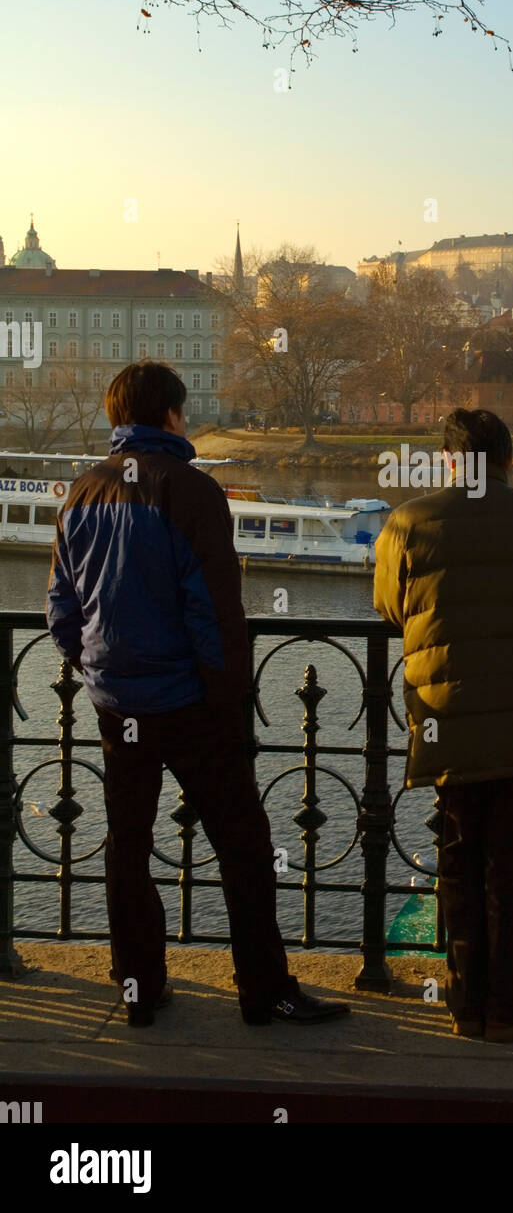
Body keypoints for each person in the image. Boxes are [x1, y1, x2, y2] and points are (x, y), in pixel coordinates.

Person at [45, 361, 350, 1030]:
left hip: (116, 705)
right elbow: (214, 612)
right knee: (243, 845)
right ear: (173, 416)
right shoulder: (191, 492)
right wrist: (226, 697)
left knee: (127, 846)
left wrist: (96, 669)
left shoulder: (81, 493)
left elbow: (61, 611)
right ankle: (263, 990)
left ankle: (139, 990)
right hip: (190, 704)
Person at [373, 409, 513, 1043]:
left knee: (459, 862)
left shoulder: (410, 521)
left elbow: (389, 605)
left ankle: (465, 1003)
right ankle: (508, 1007)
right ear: (508, 460)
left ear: (447, 461)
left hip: (450, 719)